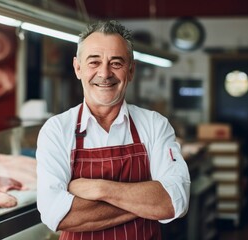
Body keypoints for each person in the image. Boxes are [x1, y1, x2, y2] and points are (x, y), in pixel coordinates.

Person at [36, 20, 190, 240]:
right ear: (77, 68)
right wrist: (145, 202)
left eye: (116, 63)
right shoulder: (57, 130)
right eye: (94, 62)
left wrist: (100, 189)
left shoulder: (155, 124)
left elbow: (174, 202)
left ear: (131, 70)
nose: (105, 73)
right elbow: (57, 215)